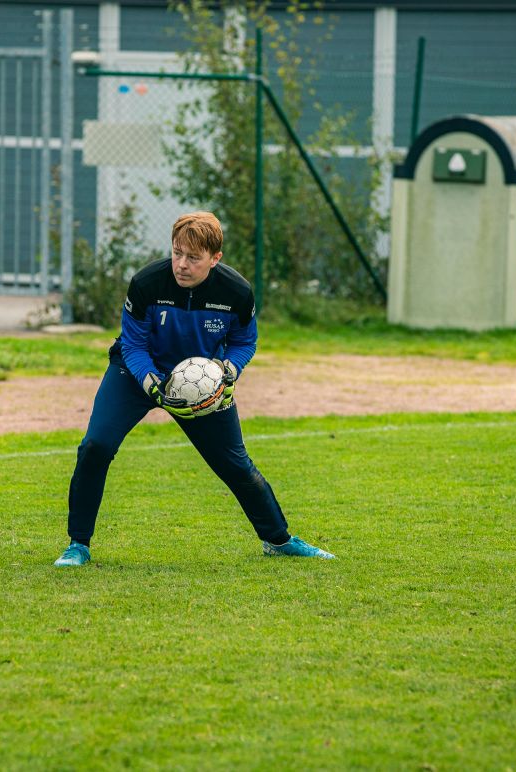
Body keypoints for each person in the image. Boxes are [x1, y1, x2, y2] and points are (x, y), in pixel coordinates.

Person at [54, 211, 335, 566]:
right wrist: (150, 382)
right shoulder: (146, 283)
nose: (181, 265)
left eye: (193, 257)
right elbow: (134, 344)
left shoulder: (236, 292)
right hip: (136, 374)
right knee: (95, 446)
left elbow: (244, 341)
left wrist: (228, 370)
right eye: (176, 253)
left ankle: (278, 540)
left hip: (202, 385)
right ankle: (78, 545)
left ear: (215, 258)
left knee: (235, 464)